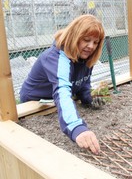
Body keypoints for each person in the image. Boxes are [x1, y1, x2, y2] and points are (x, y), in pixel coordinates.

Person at [20, 14, 105, 155]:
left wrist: (90, 97)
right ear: (74, 36)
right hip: (34, 105)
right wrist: (76, 127)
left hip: (55, 104)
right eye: (86, 40)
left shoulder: (85, 56)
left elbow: (83, 84)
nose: (91, 46)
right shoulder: (56, 57)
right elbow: (62, 91)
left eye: (95, 42)